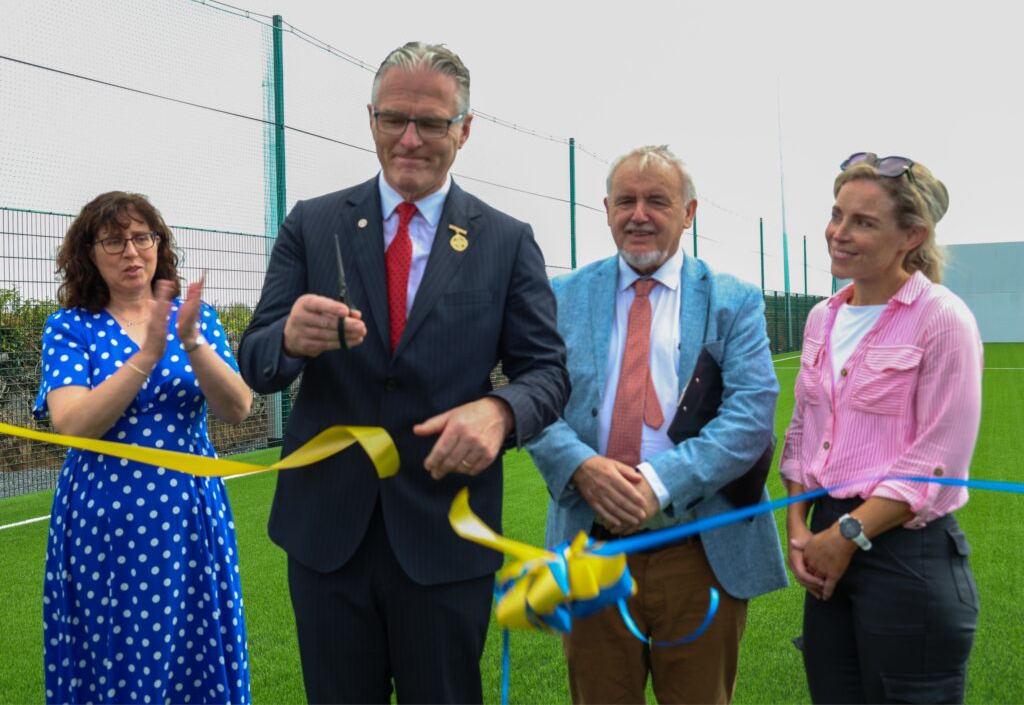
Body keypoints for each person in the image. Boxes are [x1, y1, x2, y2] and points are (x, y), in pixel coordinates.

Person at [237, 41, 569, 704]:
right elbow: (257, 360)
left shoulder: (506, 240)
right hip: (327, 535)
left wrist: (501, 412)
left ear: (464, 130)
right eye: (394, 119)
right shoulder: (313, 222)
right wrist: (290, 341)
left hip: (446, 536)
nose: (410, 139)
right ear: (371, 120)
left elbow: (548, 373)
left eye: (432, 123)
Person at [525, 145, 787, 704]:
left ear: (689, 213)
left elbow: (751, 414)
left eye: (657, 201)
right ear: (607, 208)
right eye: (626, 201)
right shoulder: (561, 297)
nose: (638, 214)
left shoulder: (732, 300)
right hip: (592, 547)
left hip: (697, 548)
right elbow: (533, 399)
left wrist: (657, 485)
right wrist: (583, 468)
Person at [34, 191, 254, 704]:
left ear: (159, 246)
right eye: (113, 240)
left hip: (190, 509)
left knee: (195, 638)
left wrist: (192, 342)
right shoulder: (69, 326)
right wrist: (149, 354)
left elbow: (237, 408)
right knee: (116, 642)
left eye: (142, 238)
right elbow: (73, 424)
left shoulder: (196, 317)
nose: (131, 252)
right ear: (88, 253)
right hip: (105, 519)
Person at [780, 152, 982, 704]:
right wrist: (799, 526)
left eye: (863, 222)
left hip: (905, 557)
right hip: (824, 540)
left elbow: (939, 457)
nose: (838, 233)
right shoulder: (823, 317)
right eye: (836, 214)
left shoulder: (942, 317)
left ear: (911, 236)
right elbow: (803, 434)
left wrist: (848, 535)